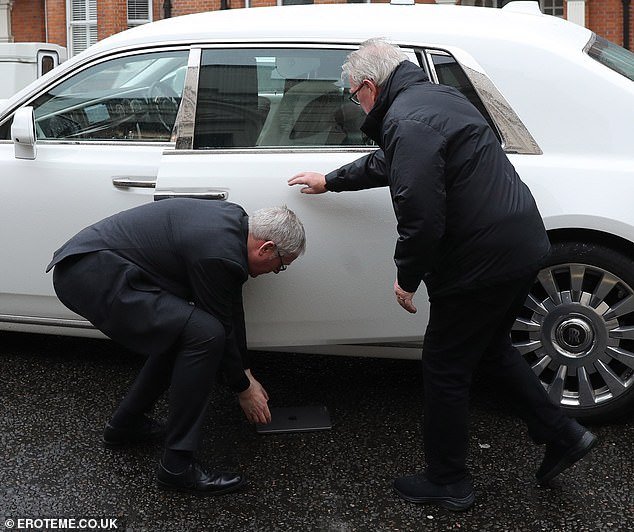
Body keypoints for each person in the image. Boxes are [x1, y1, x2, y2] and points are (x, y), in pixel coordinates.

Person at [288, 38, 596, 511]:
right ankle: (563, 433)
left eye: (354, 94)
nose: (356, 103)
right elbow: (394, 163)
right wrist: (331, 179)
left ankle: (449, 480)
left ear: (370, 86)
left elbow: (421, 215)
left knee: (445, 367)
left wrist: (405, 277)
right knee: (489, 350)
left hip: (479, 261)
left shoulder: (406, 119)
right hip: (521, 244)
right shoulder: (436, 98)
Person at [46, 199, 305, 495]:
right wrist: (243, 388)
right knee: (205, 334)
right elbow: (220, 325)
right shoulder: (218, 254)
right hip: (91, 275)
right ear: (267, 248)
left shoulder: (233, 225)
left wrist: (244, 370)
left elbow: (231, 310)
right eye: (281, 265)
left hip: (99, 268)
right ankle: (177, 467)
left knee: (187, 329)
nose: (275, 271)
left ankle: (125, 426)